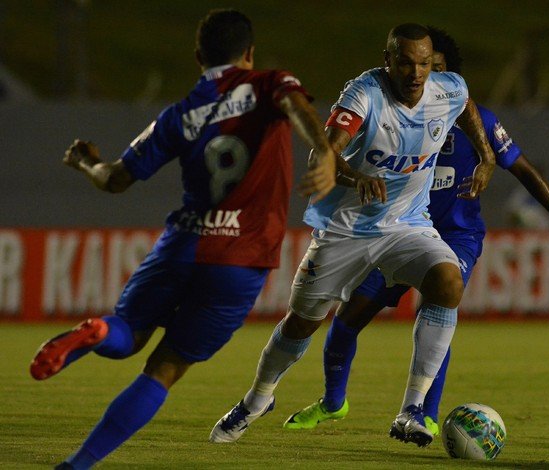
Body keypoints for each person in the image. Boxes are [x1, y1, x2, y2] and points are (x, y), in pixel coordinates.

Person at [29, 9, 336, 469]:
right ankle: (76, 466)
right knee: (164, 369)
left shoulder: (178, 114)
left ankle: (96, 332)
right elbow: (295, 106)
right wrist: (325, 153)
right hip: (238, 259)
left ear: (199, 57)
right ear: (249, 54)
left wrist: (83, 163)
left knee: (127, 333)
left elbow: (115, 178)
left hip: (181, 244)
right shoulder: (272, 83)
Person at [281, 26, 549, 437]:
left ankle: (422, 413)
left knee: (439, 300)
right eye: (414, 67)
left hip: (456, 236)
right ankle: (333, 403)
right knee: (349, 315)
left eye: (433, 69)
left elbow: (523, 170)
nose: (422, 79)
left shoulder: (475, 120)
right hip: (398, 231)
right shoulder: (392, 116)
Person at [209, 23, 496, 448]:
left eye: (422, 64)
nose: (416, 73)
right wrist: (355, 174)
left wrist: (486, 156)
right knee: (301, 323)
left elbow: (466, 103)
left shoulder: (447, 88)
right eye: (405, 63)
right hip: (346, 230)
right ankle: (257, 399)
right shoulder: (364, 94)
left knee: (448, 280)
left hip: (407, 225)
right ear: (388, 62)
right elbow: (324, 150)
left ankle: (412, 408)